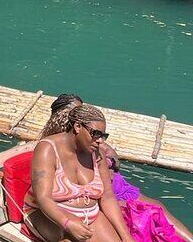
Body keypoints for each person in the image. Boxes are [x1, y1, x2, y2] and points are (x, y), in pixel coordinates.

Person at [41, 95, 193, 242]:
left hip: (115, 184)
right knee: (143, 212)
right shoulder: (55, 144)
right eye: (74, 112)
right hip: (96, 195)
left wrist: (109, 162)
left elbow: (113, 157)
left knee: (157, 206)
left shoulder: (94, 141)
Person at [23, 104, 135, 242]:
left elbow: (107, 197)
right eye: (95, 134)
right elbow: (43, 198)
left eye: (103, 136)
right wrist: (67, 222)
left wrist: (127, 237)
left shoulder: (97, 154)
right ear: (77, 127)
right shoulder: (48, 149)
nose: (100, 140)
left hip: (90, 216)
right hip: (50, 216)